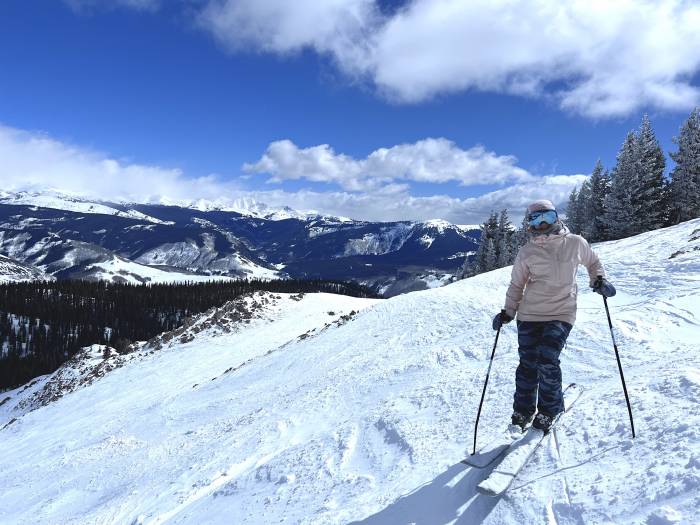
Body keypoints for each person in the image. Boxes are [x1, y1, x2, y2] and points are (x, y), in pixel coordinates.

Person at [492, 199, 616, 434]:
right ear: (528, 224)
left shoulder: (575, 243)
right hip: (529, 314)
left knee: (547, 358)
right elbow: (517, 284)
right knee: (528, 364)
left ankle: (550, 410)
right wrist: (508, 312)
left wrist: (598, 280)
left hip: (562, 312)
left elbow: (593, 262)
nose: (542, 224)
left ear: (556, 217)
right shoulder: (527, 251)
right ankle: (523, 411)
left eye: (546, 217)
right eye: (535, 219)